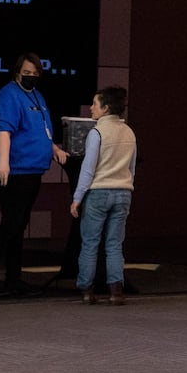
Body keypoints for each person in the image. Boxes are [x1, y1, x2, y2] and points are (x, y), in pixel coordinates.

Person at [0, 52, 65, 297]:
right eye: (27, 74)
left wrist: (54, 148)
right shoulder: (9, 96)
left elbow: (42, 130)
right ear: (17, 73)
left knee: (18, 225)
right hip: (14, 171)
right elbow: (3, 130)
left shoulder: (36, 95)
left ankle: (13, 279)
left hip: (32, 170)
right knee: (11, 223)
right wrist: (3, 163)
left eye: (35, 74)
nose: (31, 78)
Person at [69, 86, 137, 306]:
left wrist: (77, 198)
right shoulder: (129, 132)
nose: (91, 108)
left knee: (90, 243)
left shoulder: (96, 133)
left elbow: (88, 169)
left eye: (95, 104)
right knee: (115, 244)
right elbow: (132, 167)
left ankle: (87, 290)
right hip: (123, 192)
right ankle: (116, 291)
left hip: (98, 193)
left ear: (106, 108)